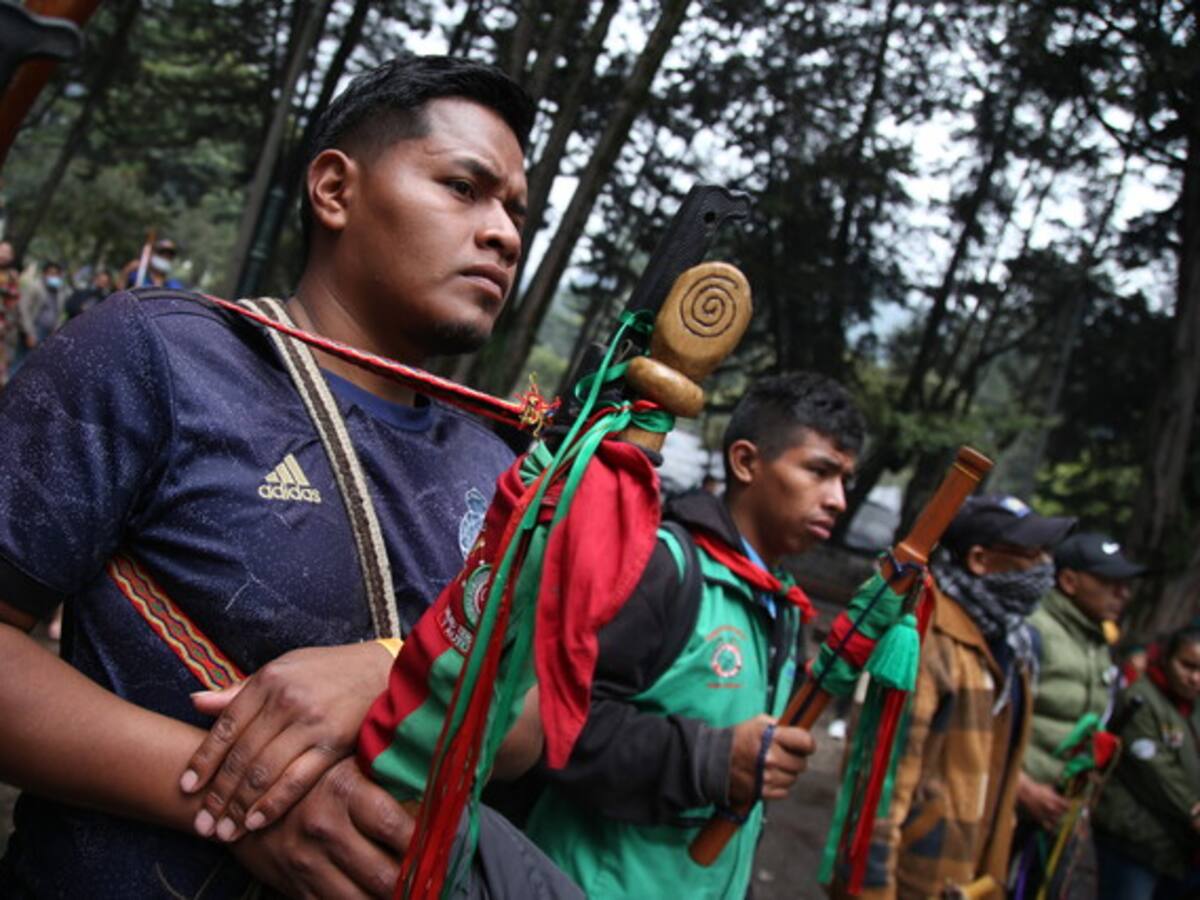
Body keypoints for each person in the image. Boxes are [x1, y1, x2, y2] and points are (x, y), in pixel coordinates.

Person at [0, 55, 564, 898]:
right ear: (334, 190)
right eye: (463, 187)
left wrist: (394, 666)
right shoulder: (161, 354)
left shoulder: (498, 465)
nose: (505, 233)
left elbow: (527, 719)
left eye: (518, 212)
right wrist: (239, 794)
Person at [520, 372, 864, 899]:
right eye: (819, 471)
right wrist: (713, 759)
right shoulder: (662, 567)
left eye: (845, 480)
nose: (838, 500)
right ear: (746, 462)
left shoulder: (784, 606)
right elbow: (554, 727)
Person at [860, 494, 1075, 899]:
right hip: (916, 879)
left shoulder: (1013, 642)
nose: (1046, 566)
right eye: (1033, 553)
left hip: (967, 877)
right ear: (980, 560)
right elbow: (880, 789)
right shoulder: (927, 638)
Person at [1010, 532, 1147, 896]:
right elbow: (991, 722)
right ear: (1069, 581)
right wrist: (1020, 788)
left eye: (1125, 585)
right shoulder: (1032, 630)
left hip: (1052, 817)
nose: (1123, 594)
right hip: (1008, 808)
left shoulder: (1097, 642)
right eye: (1109, 583)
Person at [1092, 626, 1200, 900]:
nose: (1195, 678)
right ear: (1165, 658)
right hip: (1134, 840)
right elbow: (1154, 768)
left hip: (1178, 849)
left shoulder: (1193, 708)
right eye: (1187, 666)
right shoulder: (1140, 699)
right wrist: (1193, 807)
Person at [14, 258, 64, 364]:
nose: (54, 277)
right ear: (44, 273)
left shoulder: (59, 292)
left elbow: (58, 312)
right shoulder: (35, 286)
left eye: (56, 274)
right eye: (51, 273)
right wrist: (29, 333)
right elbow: (23, 308)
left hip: (48, 333)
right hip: (33, 329)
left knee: (34, 363)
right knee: (20, 362)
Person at [121, 236, 186, 289]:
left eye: (170, 254)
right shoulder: (137, 277)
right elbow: (119, 290)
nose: (166, 256)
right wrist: (128, 269)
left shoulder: (175, 286)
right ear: (152, 255)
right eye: (162, 253)